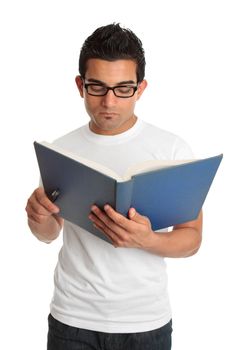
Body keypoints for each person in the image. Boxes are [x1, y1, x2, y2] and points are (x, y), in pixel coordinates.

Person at [26, 23, 202, 350]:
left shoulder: (172, 149)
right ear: (80, 85)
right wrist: (38, 219)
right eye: (97, 87)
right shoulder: (61, 150)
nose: (109, 101)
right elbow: (49, 233)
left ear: (141, 88)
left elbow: (191, 239)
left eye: (123, 89)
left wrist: (147, 239)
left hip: (146, 323)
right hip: (72, 320)